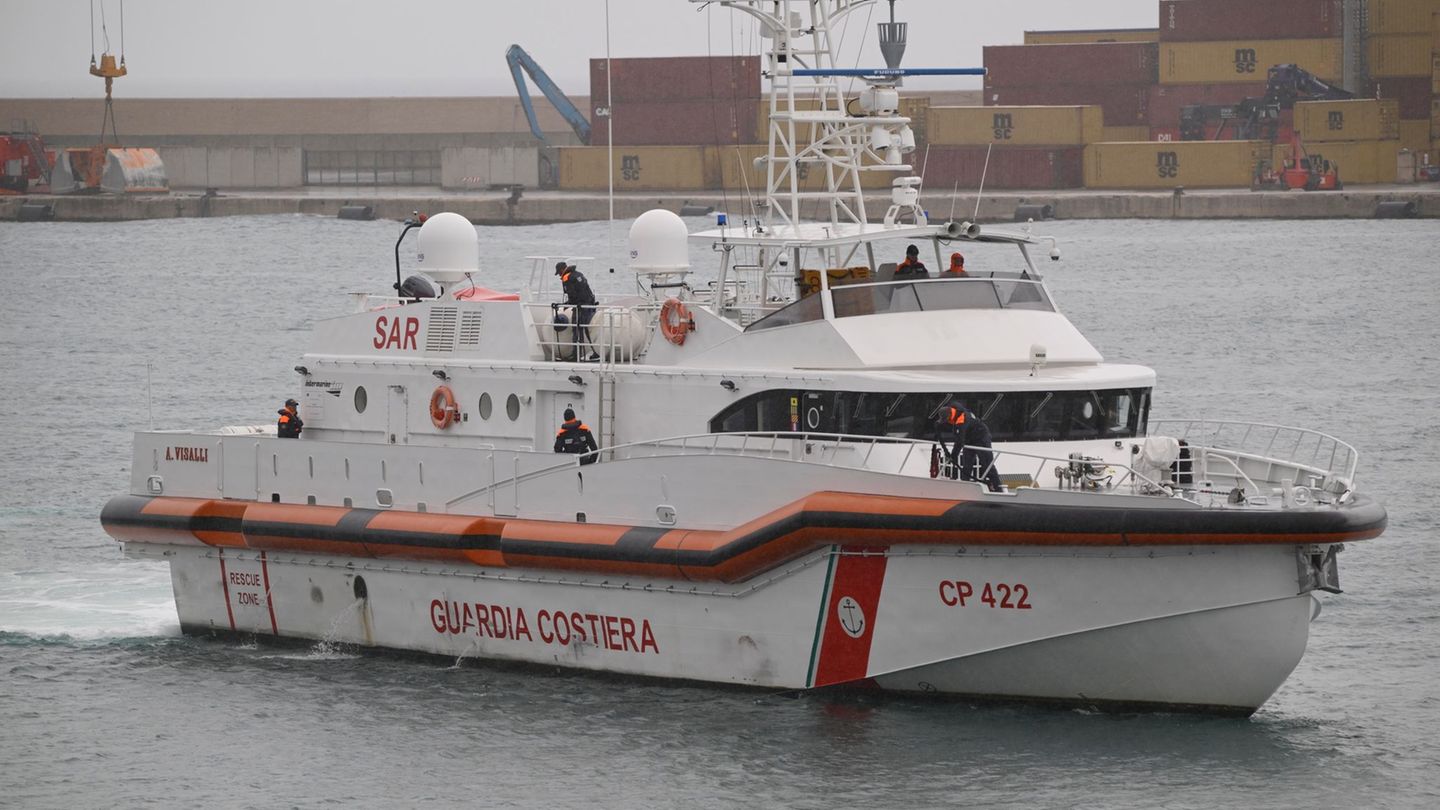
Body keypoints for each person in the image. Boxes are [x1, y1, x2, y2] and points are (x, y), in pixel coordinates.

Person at [935, 400, 1002, 492]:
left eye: (947, 420)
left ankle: (998, 489)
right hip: (969, 439)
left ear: (951, 415)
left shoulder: (961, 420)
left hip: (981, 438)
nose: (948, 423)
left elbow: (959, 442)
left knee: (987, 464)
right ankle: (965, 489)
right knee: (967, 465)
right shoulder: (954, 408)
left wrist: (953, 456)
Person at [556, 262, 600, 362]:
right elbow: (584, 291)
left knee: (576, 328)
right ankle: (596, 351)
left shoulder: (567, 277)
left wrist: (567, 304)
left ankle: (576, 354)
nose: (559, 275)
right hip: (589, 304)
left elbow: (572, 294)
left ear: (563, 269)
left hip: (581, 306)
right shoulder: (578, 274)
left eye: (559, 272)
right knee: (587, 329)